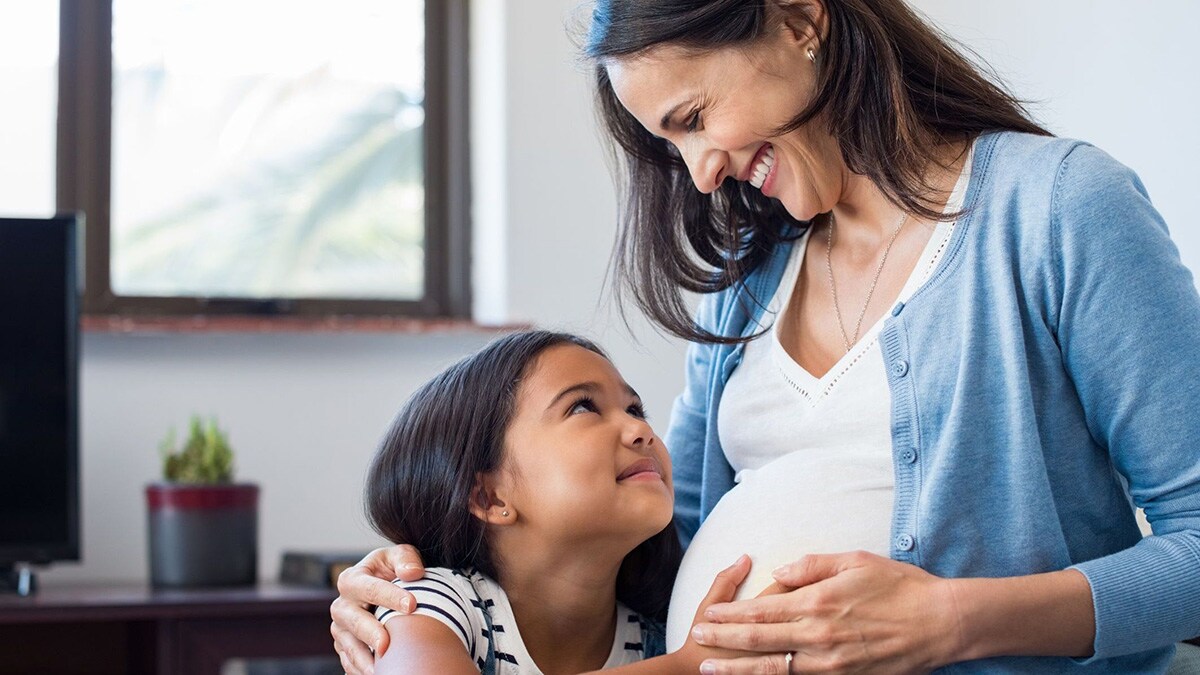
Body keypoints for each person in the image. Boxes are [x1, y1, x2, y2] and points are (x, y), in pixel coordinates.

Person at [332, 1, 1200, 673]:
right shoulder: (745, 285)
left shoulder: (1057, 210)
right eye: (671, 145)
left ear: (799, 20)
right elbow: (661, 536)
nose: (701, 171)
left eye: (695, 117)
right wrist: (421, 586)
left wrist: (950, 618)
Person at [359, 330, 762, 674]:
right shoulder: (428, 604)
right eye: (583, 406)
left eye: (635, 408)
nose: (640, 429)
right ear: (489, 496)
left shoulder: (659, 633)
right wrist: (685, 666)